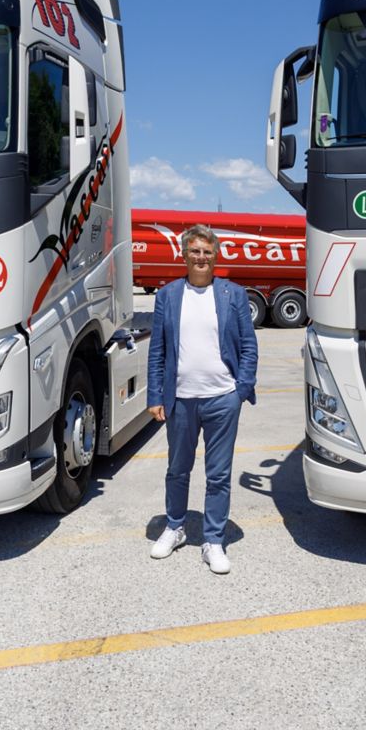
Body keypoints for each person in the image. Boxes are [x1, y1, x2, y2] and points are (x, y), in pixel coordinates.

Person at [146, 224, 258, 574]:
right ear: (184, 254)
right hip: (180, 400)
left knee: (219, 474)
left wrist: (240, 391)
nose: (201, 257)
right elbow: (157, 351)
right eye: (195, 251)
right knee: (177, 470)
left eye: (207, 252)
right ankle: (175, 527)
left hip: (222, 399)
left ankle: (213, 540)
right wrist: (155, 395)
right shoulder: (167, 295)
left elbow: (249, 345)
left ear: (215, 255)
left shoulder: (232, 294)